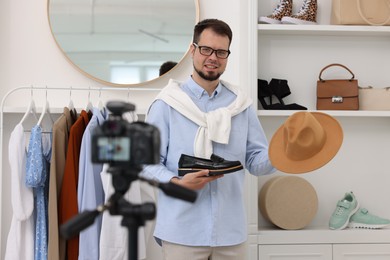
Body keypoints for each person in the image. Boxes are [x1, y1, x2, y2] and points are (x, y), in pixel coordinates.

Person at [141, 18, 275, 260]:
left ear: (227, 56)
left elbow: (256, 162)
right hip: (182, 232)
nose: (213, 57)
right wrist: (176, 181)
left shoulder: (240, 105)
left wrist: (282, 153)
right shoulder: (167, 104)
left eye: (221, 52)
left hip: (231, 233)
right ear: (193, 50)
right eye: (206, 49)